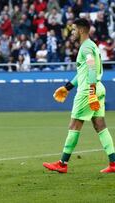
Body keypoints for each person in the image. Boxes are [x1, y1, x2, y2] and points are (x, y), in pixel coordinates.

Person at [43, 18, 115, 173]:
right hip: (98, 88)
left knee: (74, 125)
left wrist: (90, 91)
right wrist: (67, 87)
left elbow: (90, 67)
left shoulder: (85, 48)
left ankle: (62, 164)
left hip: (87, 90)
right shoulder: (92, 46)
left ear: (82, 30)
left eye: (74, 29)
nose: (72, 32)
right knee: (100, 126)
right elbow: (83, 71)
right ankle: (114, 163)